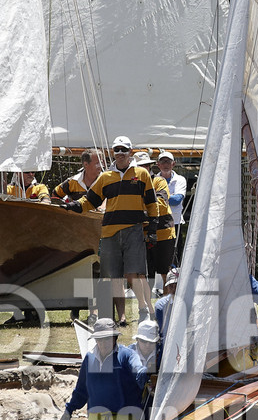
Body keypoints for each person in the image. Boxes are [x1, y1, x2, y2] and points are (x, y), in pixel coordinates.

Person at [65, 138, 155, 324]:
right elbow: (90, 201)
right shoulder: (105, 177)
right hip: (109, 233)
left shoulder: (142, 174)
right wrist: (73, 206)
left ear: (130, 152)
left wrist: (153, 228)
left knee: (134, 274)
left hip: (134, 230)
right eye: (117, 149)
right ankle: (112, 317)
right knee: (111, 277)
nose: (120, 153)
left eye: (124, 149)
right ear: (113, 152)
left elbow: (152, 203)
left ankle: (143, 309)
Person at [142, 153, 179, 287]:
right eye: (139, 166)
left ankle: (169, 300)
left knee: (166, 273)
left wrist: (139, 209)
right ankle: (147, 301)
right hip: (142, 235)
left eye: (145, 165)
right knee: (144, 275)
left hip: (164, 233)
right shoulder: (133, 184)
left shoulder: (159, 181)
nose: (142, 168)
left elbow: (162, 203)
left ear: (149, 166)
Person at [156, 150, 188, 245]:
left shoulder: (180, 179)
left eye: (168, 161)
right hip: (158, 222)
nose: (166, 164)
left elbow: (177, 200)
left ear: (173, 164)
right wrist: (169, 197)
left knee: (176, 251)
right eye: (163, 162)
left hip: (176, 222)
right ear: (158, 164)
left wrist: (158, 198)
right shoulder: (153, 179)